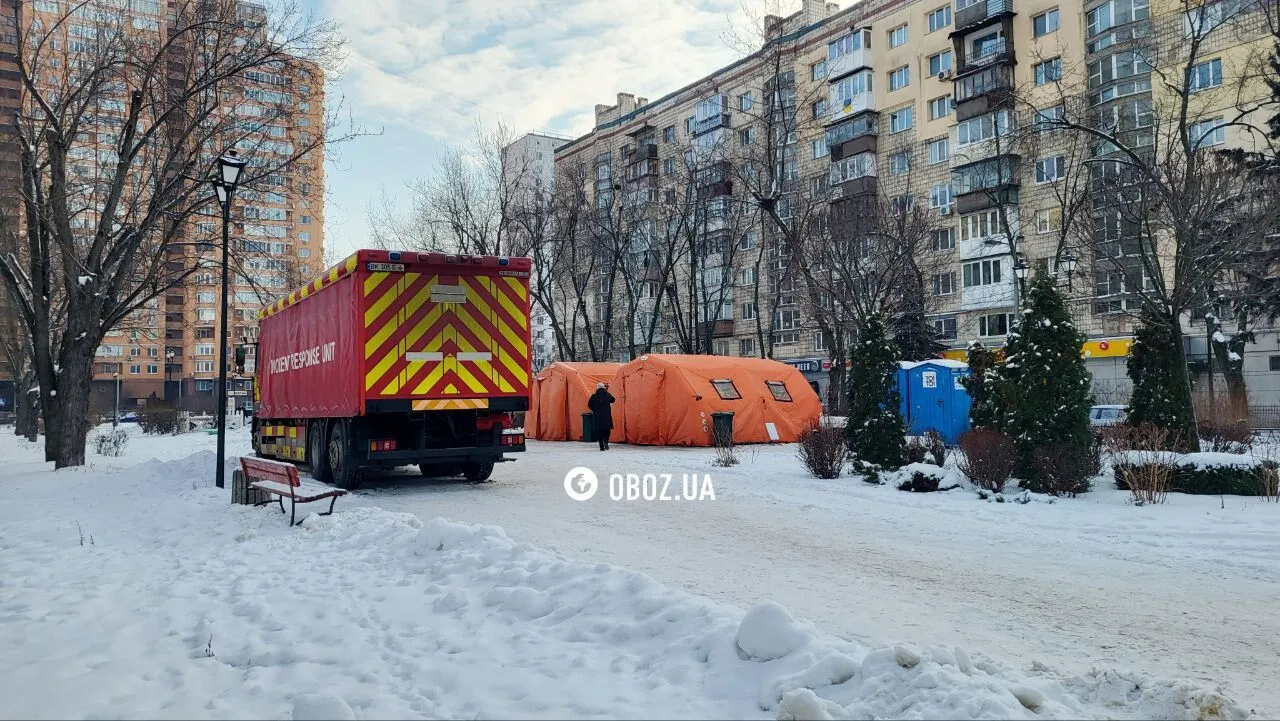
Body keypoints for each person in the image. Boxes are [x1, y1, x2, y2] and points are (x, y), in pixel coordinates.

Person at [587, 382, 615, 451]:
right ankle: (606, 441)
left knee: (599, 431)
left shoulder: (593, 396)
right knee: (607, 430)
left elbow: (589, 405)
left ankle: (601, 446)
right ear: (603, 388)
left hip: (597, 417)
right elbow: (613, 400)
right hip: (606, 416)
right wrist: (607, 392)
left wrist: (594, 410)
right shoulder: (607, 395)